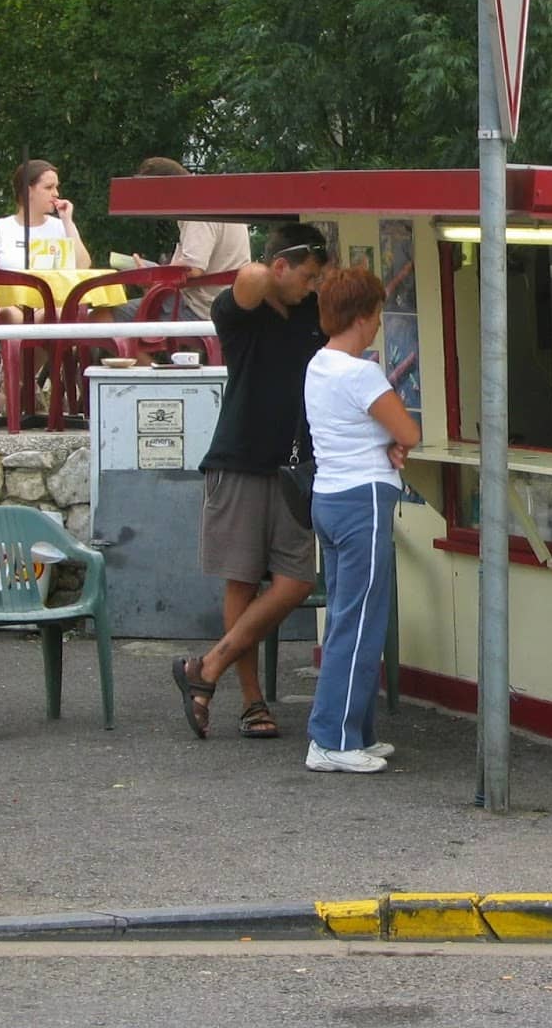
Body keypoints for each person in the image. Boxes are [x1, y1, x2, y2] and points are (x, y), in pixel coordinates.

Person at [171, 225, 328, 740]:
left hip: (294, 467)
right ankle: (251, 701)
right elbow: (251, 274)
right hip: (239, 460)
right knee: (241, 580)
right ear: (282, 267)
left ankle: (207, 668)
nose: (312, 286)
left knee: (296, 581)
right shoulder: (239, 312)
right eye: (306, 275)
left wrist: (313, 279)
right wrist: (283, 268)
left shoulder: (313, 313)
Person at [301, 265, 421, 774]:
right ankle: (331, 739)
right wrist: (394, 442)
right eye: (375, 314)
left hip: (328, 496)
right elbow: (408, 432)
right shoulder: (362, 373)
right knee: (360, 621)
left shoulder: (318, 365)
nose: (377, 324)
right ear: (360, 317)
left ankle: (355, 732)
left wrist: (385, 440)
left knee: (346, 618)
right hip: (363, 500)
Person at [112, 157, 253, 325]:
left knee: (104, 316)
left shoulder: (198, 209)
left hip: (200, 309)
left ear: (164, 190)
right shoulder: (214, 199)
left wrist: (151, 275)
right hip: (224, 304)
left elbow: (192, 268)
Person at [0, 159, 93, 271]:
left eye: (56, 187)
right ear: (27, 191)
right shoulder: (0, 228)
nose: (56, 193)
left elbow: (83, 266)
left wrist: (68, 222)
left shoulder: (62, 226)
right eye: (49, 187)